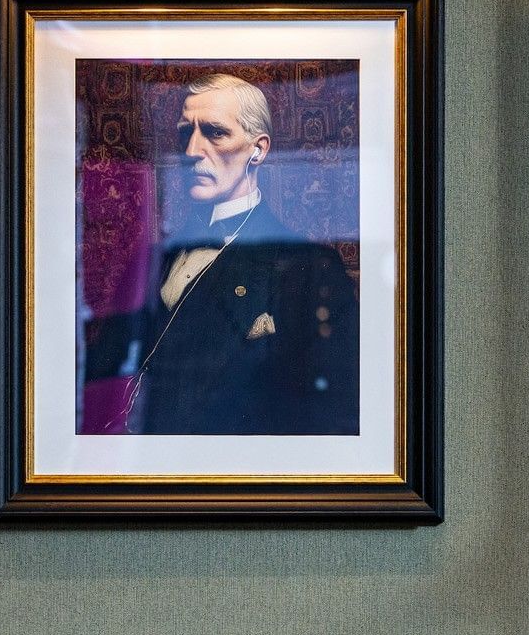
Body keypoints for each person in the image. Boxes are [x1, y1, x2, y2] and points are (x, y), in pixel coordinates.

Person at [84, 72, 359, 435]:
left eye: (215, 133)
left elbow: (331, 418)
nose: (191, 152)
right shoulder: (152, 261)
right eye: (186, 133)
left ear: (258, 150)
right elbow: (103, 373)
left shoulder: (306, 270)